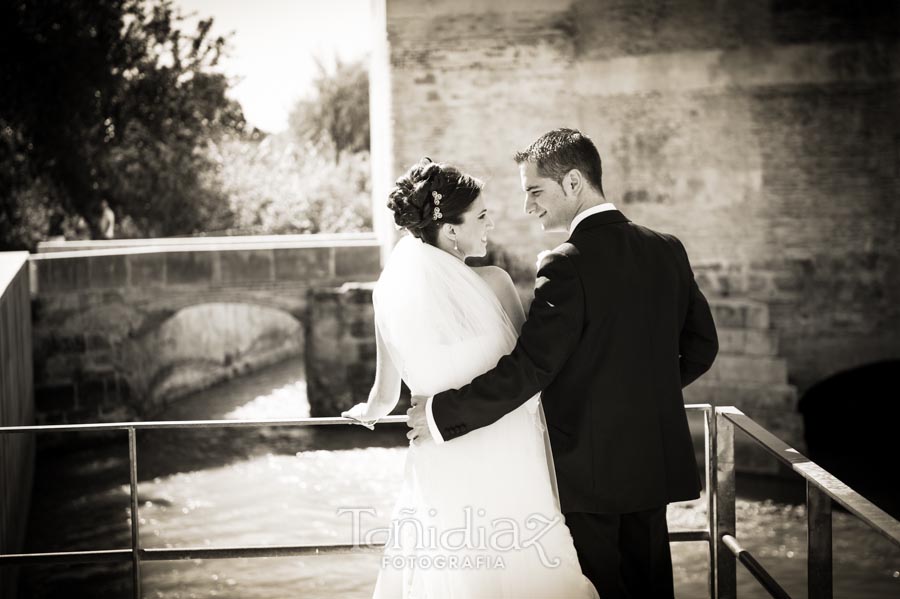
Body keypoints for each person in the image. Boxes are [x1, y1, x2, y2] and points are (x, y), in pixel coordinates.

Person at [407, 129, 719, 598]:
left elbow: (531, 367)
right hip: (653, 463)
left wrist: (440, 414)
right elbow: (701, 347)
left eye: (535, 191)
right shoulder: (666, 248)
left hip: (587, 471)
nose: (529, 207)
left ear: (573, 182)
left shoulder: (565, 263)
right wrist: (640, 393)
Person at [342, 157, 598, 599]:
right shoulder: (495, 283)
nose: (490, 222)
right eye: (481, 215)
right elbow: (529, 369)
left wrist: (363, 412)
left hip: (440, 462)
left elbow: (384, 397)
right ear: (451, 230)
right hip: (510, 458)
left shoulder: (388, 296)